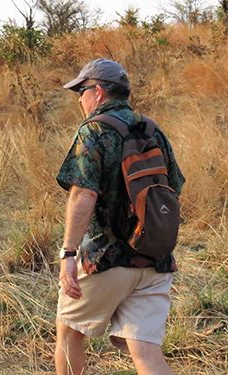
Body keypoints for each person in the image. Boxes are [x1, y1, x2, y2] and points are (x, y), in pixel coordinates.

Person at [55, 58, 184, 375]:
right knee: (146, 352)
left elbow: (84, 194)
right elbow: (174, 188)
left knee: (69, 330)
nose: (80, 99)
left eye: (81, 91)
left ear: (98, 92)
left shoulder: (94, 131)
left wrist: (68, 253)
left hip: (105, 259)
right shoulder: (153, 129)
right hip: (156, 258)